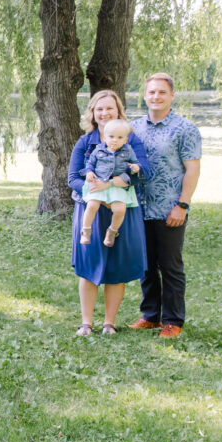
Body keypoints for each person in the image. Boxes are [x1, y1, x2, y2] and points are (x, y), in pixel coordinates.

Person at [67, 89, 151, 336]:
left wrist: (112, 186)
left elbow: (144, 172)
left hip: (121, 210)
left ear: (118, 111)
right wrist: (95, 192)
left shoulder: (130, 140)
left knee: (117, 267)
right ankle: (86, 322)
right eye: (99, 108)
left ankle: (109, 323)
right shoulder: (85, 143)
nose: (104, 113)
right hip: (90, 210)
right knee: (89, 265)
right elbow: (72, 178)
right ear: (92, 113)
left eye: (109, 108)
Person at [128, 73, 201, 339]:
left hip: (170, 207)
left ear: (171, 95)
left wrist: (182, 204)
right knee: (145, 265)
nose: (156, 96)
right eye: (151, 92)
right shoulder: (133, 128)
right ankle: (150, 316)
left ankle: (172, 320)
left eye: (161, 92)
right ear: (145, 96)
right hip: (139, 207)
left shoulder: (185, 129)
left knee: (170, 266)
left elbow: (192, 169)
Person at [79, 118, 141, 247]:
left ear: (125, 140)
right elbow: (90, 164)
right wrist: (89, 172)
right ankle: (86, 230)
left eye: (119, 137)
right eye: (111, 136)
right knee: (92, 205)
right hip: (99, 182)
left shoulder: (128, 151)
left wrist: (135, 168)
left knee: (120, 209)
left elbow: (135, 163)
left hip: (117, 184)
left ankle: (112, 231)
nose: (114, 140)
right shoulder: (98, 150)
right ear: (105, 138)